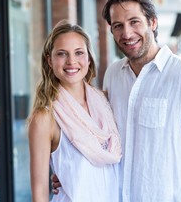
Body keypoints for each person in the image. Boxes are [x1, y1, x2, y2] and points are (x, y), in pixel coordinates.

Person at [52, 0, 181, 202]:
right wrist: (70, 168)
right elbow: (98, 138)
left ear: (152, 22)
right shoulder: (113, 74)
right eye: (118, 26)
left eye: (134, 22)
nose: (127, 33)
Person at [28, 20, 122, 202]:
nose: (71, 61)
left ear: (88, 58)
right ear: (50, 59)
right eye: (62, 54)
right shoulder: (44, 118)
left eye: (79, 53)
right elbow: (39, 191)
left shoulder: (106, 101)